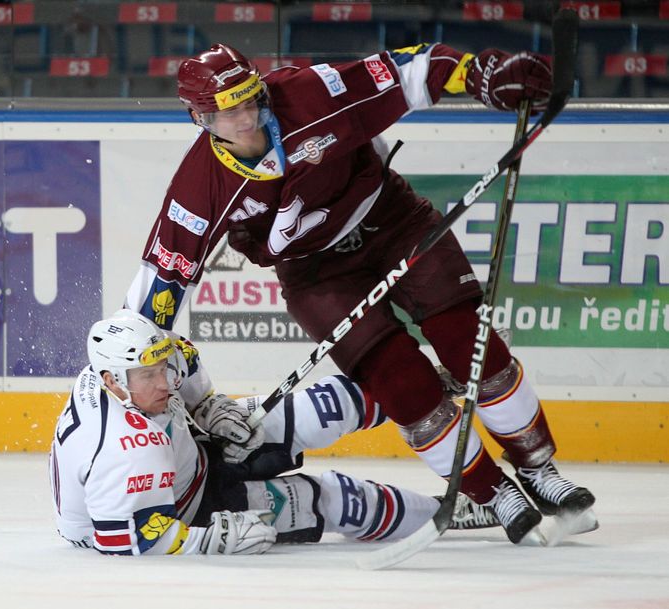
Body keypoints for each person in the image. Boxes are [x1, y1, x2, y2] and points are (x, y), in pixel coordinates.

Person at [125, 42, 596, 545]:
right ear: (198, 117)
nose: (245, 120)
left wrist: (478, 73)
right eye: (227, 112)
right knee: (400, 383)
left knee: (467, 343)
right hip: (315, 274)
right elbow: (161, 283)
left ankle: (539, 469)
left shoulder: (307, 93)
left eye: (249, 101)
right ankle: (491, 492)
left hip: (391, 220)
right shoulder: (199, 186)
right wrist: (128, 366)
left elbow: (405, 71)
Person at [49, 310, 497, 556]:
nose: (164, 382)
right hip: (183, 509)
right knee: (333, 500)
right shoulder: (124, 451)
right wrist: (210, 540)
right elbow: (127, 537)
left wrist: (206, 406)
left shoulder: (137, 366)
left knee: (321, 408)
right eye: (148, 376)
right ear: (112, 382)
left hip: (192, 452)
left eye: (160, 368)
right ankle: (448, 512)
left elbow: (181, 353)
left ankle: (427, 386)